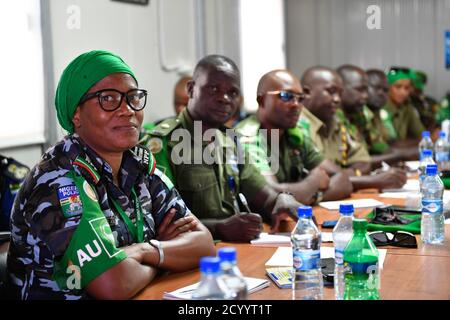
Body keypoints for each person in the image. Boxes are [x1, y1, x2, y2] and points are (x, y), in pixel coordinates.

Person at [5, 50, 215, 300]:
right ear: (76, 114)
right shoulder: (59, 179)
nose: (127, 110)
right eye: (108, 99)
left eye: (133, 97)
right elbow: (113, 285)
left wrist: (145, 250)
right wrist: (165, 256)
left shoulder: (139, 165)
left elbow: (204, 245)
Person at [141, 55, 301, 242]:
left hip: (234, 251)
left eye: (233, 93)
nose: (224, 99)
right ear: (192, 89)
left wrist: (281, 199)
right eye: (214, 89)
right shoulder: (163, 144)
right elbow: (162, 223)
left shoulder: (231, 140)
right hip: (188, 256)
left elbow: (261, 194)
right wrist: (219, 228)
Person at [235, 69, 353, 205]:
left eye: (300, 98)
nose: (296, 104)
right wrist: (312, 182)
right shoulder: (246, 137)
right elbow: (272, 194)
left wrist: (313, 196)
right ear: (262, 100)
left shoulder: (293, 133)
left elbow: (343, 179)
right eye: (286, 96)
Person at [299, 66, 407, 191]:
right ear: (306, 92)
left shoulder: (336, 122)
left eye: (339, 93)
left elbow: (363, 161)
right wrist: (369, 180)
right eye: (331, 91)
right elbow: (316, 178)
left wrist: (345, 177)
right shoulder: (297, 126)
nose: (337, 99)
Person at [337, 65, 416, 166]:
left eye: (385, 90)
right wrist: (402, 156)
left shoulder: (360, 115)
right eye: (360, 90)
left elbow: (382, 147)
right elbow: (354, 162)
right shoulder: (335, 118)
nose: (365, 95)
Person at [381, 67, 425, 146]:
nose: (403, 92)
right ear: (388, 87)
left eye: (407, 88)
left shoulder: (407, 107)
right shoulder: (381, 107)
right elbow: (390, 143)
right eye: (398, 87)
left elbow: (421, 134)